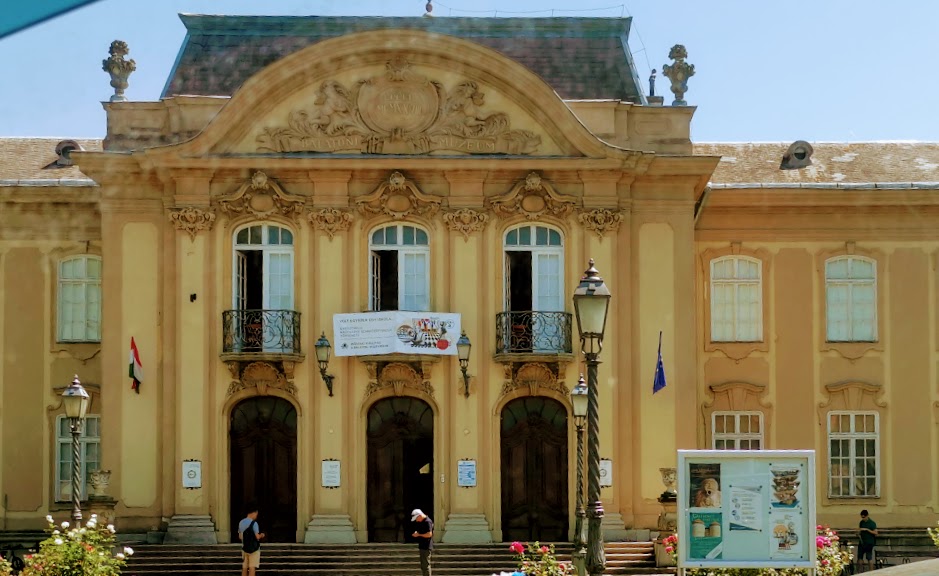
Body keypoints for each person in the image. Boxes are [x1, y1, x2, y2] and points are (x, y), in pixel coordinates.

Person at [238, 504, 265, 576]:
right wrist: (262, 535)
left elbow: (240, 537)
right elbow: (257, 537)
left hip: (244, 548)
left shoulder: (241, 522)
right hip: (254, 549)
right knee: (252, 567)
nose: (256, 516)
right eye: (256, 514)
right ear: (254, 512)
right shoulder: (254, 523)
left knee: (244, 567)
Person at [411, 508, 434, 576]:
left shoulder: (427, 521)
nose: (417, 520)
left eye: (416, 518)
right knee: (423, 565)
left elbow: (429, 534)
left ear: (419, 516)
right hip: (423, 546)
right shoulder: (423, 521)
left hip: (426, 546)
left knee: (426, 565)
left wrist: (419, 534)